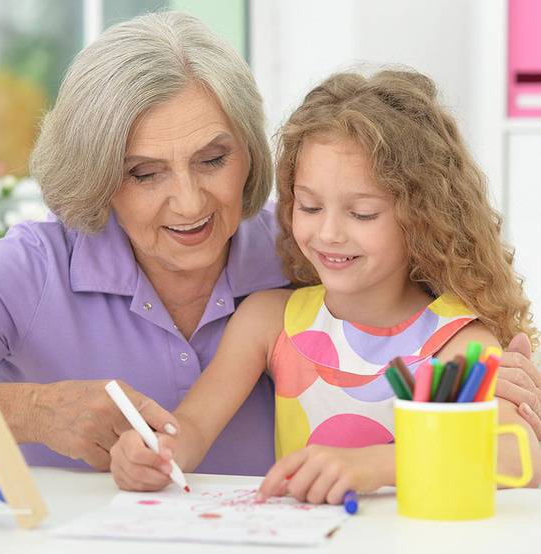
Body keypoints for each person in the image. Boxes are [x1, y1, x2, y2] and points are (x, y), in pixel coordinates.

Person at [0, 12, 541, 474]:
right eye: (144, 173)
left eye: (213, 160)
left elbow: (456, 362)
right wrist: (28, 412)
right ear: (97, 177)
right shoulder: (31, 269)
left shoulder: (307, 247)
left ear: (252, 153)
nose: (189, 203)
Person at [109, 69, 541, 500]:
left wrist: (376, 465)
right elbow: (195, 426)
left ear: (422, 218)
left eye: (363, 213)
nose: (329, 233)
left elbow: (518, 460)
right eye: (310, 206)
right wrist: (157, 449)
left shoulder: (457, 343)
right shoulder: (271, 319)